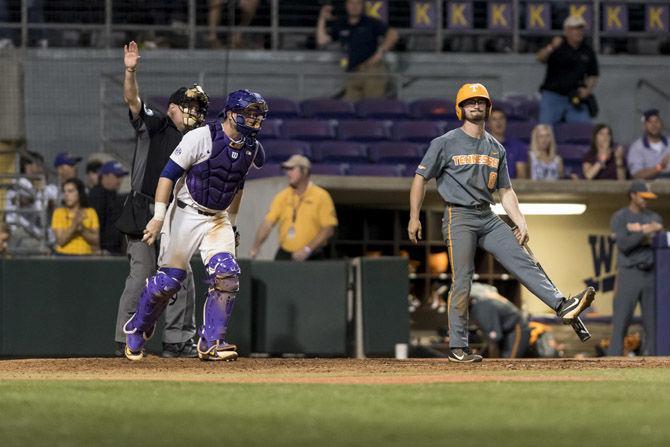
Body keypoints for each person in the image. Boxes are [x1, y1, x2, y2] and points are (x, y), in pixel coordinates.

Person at [408, 82, 595, 363]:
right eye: (470, 102)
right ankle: (458, 348)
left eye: (481, 102)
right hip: (458, 216)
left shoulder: (496, 148)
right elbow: (420, 178)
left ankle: (562, 305)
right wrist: (414, 216)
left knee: (522, 259)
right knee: (463, 280)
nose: (476, 106)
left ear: (488, 107)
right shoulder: (444, 143)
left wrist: (521, 221)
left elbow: (506, 190)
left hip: (487, 214)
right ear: (460, 109)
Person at [122, 89, 267, 362]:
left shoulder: (251, 149)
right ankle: (138, 327)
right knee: (168, 282)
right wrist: (158, 217)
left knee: (227, 274)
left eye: (257, 116)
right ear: (232, 113)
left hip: (217, 217)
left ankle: (212, 341)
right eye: (248, 114)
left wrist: (232, 226)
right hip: (186, 213)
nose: (254, 120)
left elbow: (237, 187)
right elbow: (167, 177)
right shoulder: (200, 138)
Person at [113, 41, 210, 358]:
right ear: (172, 108)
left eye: (198, 109)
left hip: (176, 215)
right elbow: (133, 100)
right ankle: (124, 340)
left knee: (182, 276)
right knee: (141, 275)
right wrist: (130, 70)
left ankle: (177, 340)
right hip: (144, 210)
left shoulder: (197, 141)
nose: (194, 113)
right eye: (189, 107)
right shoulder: (157, 123)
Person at [608, 181, 663, 356]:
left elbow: (659, 241)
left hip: (650, 273)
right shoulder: (620, 217)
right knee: (621, 321)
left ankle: (654, 363)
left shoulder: (653, 217)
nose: (646, 200)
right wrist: (645, 233)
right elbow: (624, 244)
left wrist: (638, 234)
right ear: (633, 194)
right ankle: (612, 362)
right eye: (643, 196)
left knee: (652, 323)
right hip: (629, 272)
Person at [250, 154, 338, 261]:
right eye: (287, 169)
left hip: (313, 256)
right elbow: (267, 224)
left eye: (291, 169)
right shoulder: (282, 196)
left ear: (304, 171)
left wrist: (307, 250)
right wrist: (256, 246)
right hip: (285, 254)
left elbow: (328, 229)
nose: (288, 173)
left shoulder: (321, 196)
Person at [316, 0, 399, 101]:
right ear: (346, 5)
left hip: (371, 70)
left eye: (358, 3)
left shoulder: (370, 22)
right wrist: (322, 18)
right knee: (350, 108)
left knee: (371, 107)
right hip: (352, 72)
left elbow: (393, 33)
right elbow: (321, 40)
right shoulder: (342, 24)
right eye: (351, 3)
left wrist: (380, 52)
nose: (354, 6)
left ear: (362, 6)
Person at [536, 15, 599, 125]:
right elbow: (540, 58)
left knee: (585, 130)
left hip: (574, 97)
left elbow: (593, 74)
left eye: (580, 29)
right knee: (543, 128)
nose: (579, 32)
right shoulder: (557, 45)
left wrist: (587, 90)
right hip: (553, 96)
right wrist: (551, 47)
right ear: (566, 31)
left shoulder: (587, 50)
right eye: (575, 28)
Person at [468, 282, 530, 358]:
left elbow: (495, 337)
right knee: (504, 359)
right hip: (506, 331)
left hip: (516, 328)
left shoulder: (482, 304)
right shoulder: (480, 303)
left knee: (510, 359)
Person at [50, 178, 100, 256]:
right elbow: (60, 241)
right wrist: (75, 224)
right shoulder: (59, 213)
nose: (66, 195)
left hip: (85, 256)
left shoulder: (90, 212)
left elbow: (96, 240)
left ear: (79, 193)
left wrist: (82, 229)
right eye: (64, 191)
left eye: (70, 191)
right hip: (63, 256)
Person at [88, 160, 128, 255]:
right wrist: (98, 248)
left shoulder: (113, 194)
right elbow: (95, 225)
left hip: (115, 249)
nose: (120, 180)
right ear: (104, 176)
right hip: (103, 249)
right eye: (117, 176)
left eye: (121, 176)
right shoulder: (97, 195)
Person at [627, 109, 670, 180]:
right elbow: (637, 175)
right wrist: (660, 167)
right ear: (644, 126)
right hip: (648, 189)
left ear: (662, 124)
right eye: (650, 122)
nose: (654, 125)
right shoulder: (637, 148)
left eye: (656, 121)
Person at [488, 107, 528, 179]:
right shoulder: (481, 146)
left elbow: (521, 176)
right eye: (494, 119)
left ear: (506, 121)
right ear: (489, 124)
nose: (498, 122)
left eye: (501, 118)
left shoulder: (518, 146)